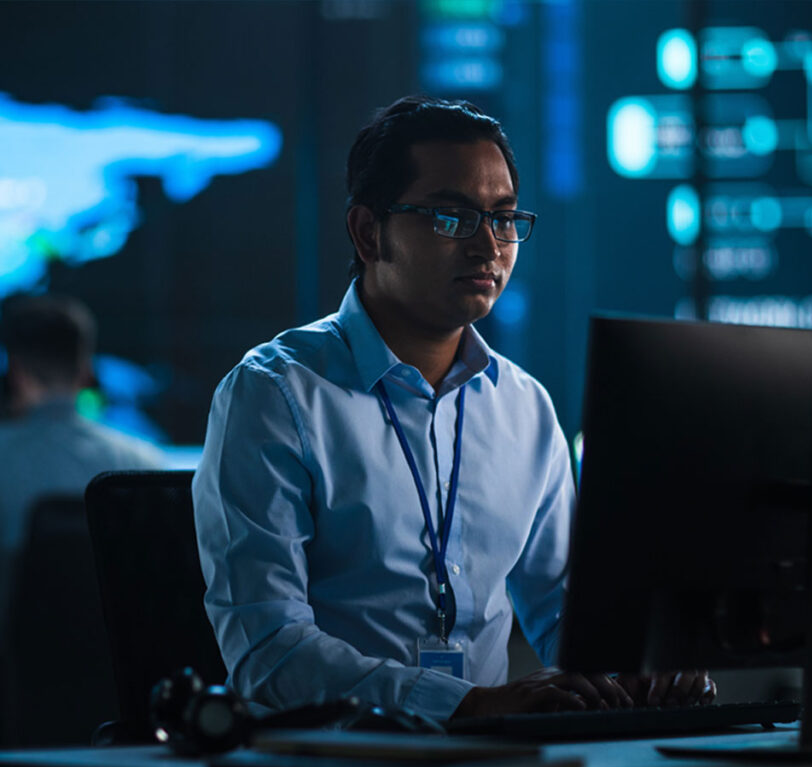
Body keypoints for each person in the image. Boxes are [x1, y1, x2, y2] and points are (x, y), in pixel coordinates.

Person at [193, 95, 714, 722]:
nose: (488, 246)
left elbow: (570, 616)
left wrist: (643, 667)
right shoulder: (276, 393)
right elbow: (267, 652)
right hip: (331, 756)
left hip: (492, 756)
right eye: (451, 217)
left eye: (503, 218)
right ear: (367, 232)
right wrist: (463, 706)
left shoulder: (524, 406)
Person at [0, 293, 163, 632]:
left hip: (15, 669)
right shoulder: (142, 464)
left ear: (15, 371)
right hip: (114, 666)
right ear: (87, 369)